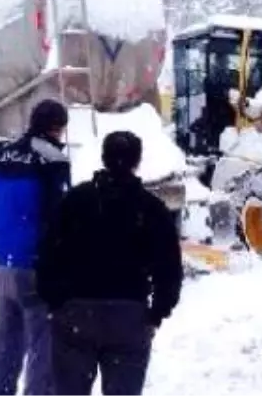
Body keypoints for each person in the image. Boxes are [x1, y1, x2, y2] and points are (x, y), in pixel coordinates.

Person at [36, 131, 184, 396]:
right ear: (137, 161)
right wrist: (157, 312)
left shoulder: (75, 201)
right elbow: (169, 267)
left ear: (103, 158)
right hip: (129, 317)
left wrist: (54, 302)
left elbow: (48, 254)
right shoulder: (150, 208)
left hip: (75, 315)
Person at [0, 98, 72, 396]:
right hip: (34, 267)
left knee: (5, 342)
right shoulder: (53, 159)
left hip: (3, 264)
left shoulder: (2, 155)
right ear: (57, 129)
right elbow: (59, 217)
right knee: (43, 347)